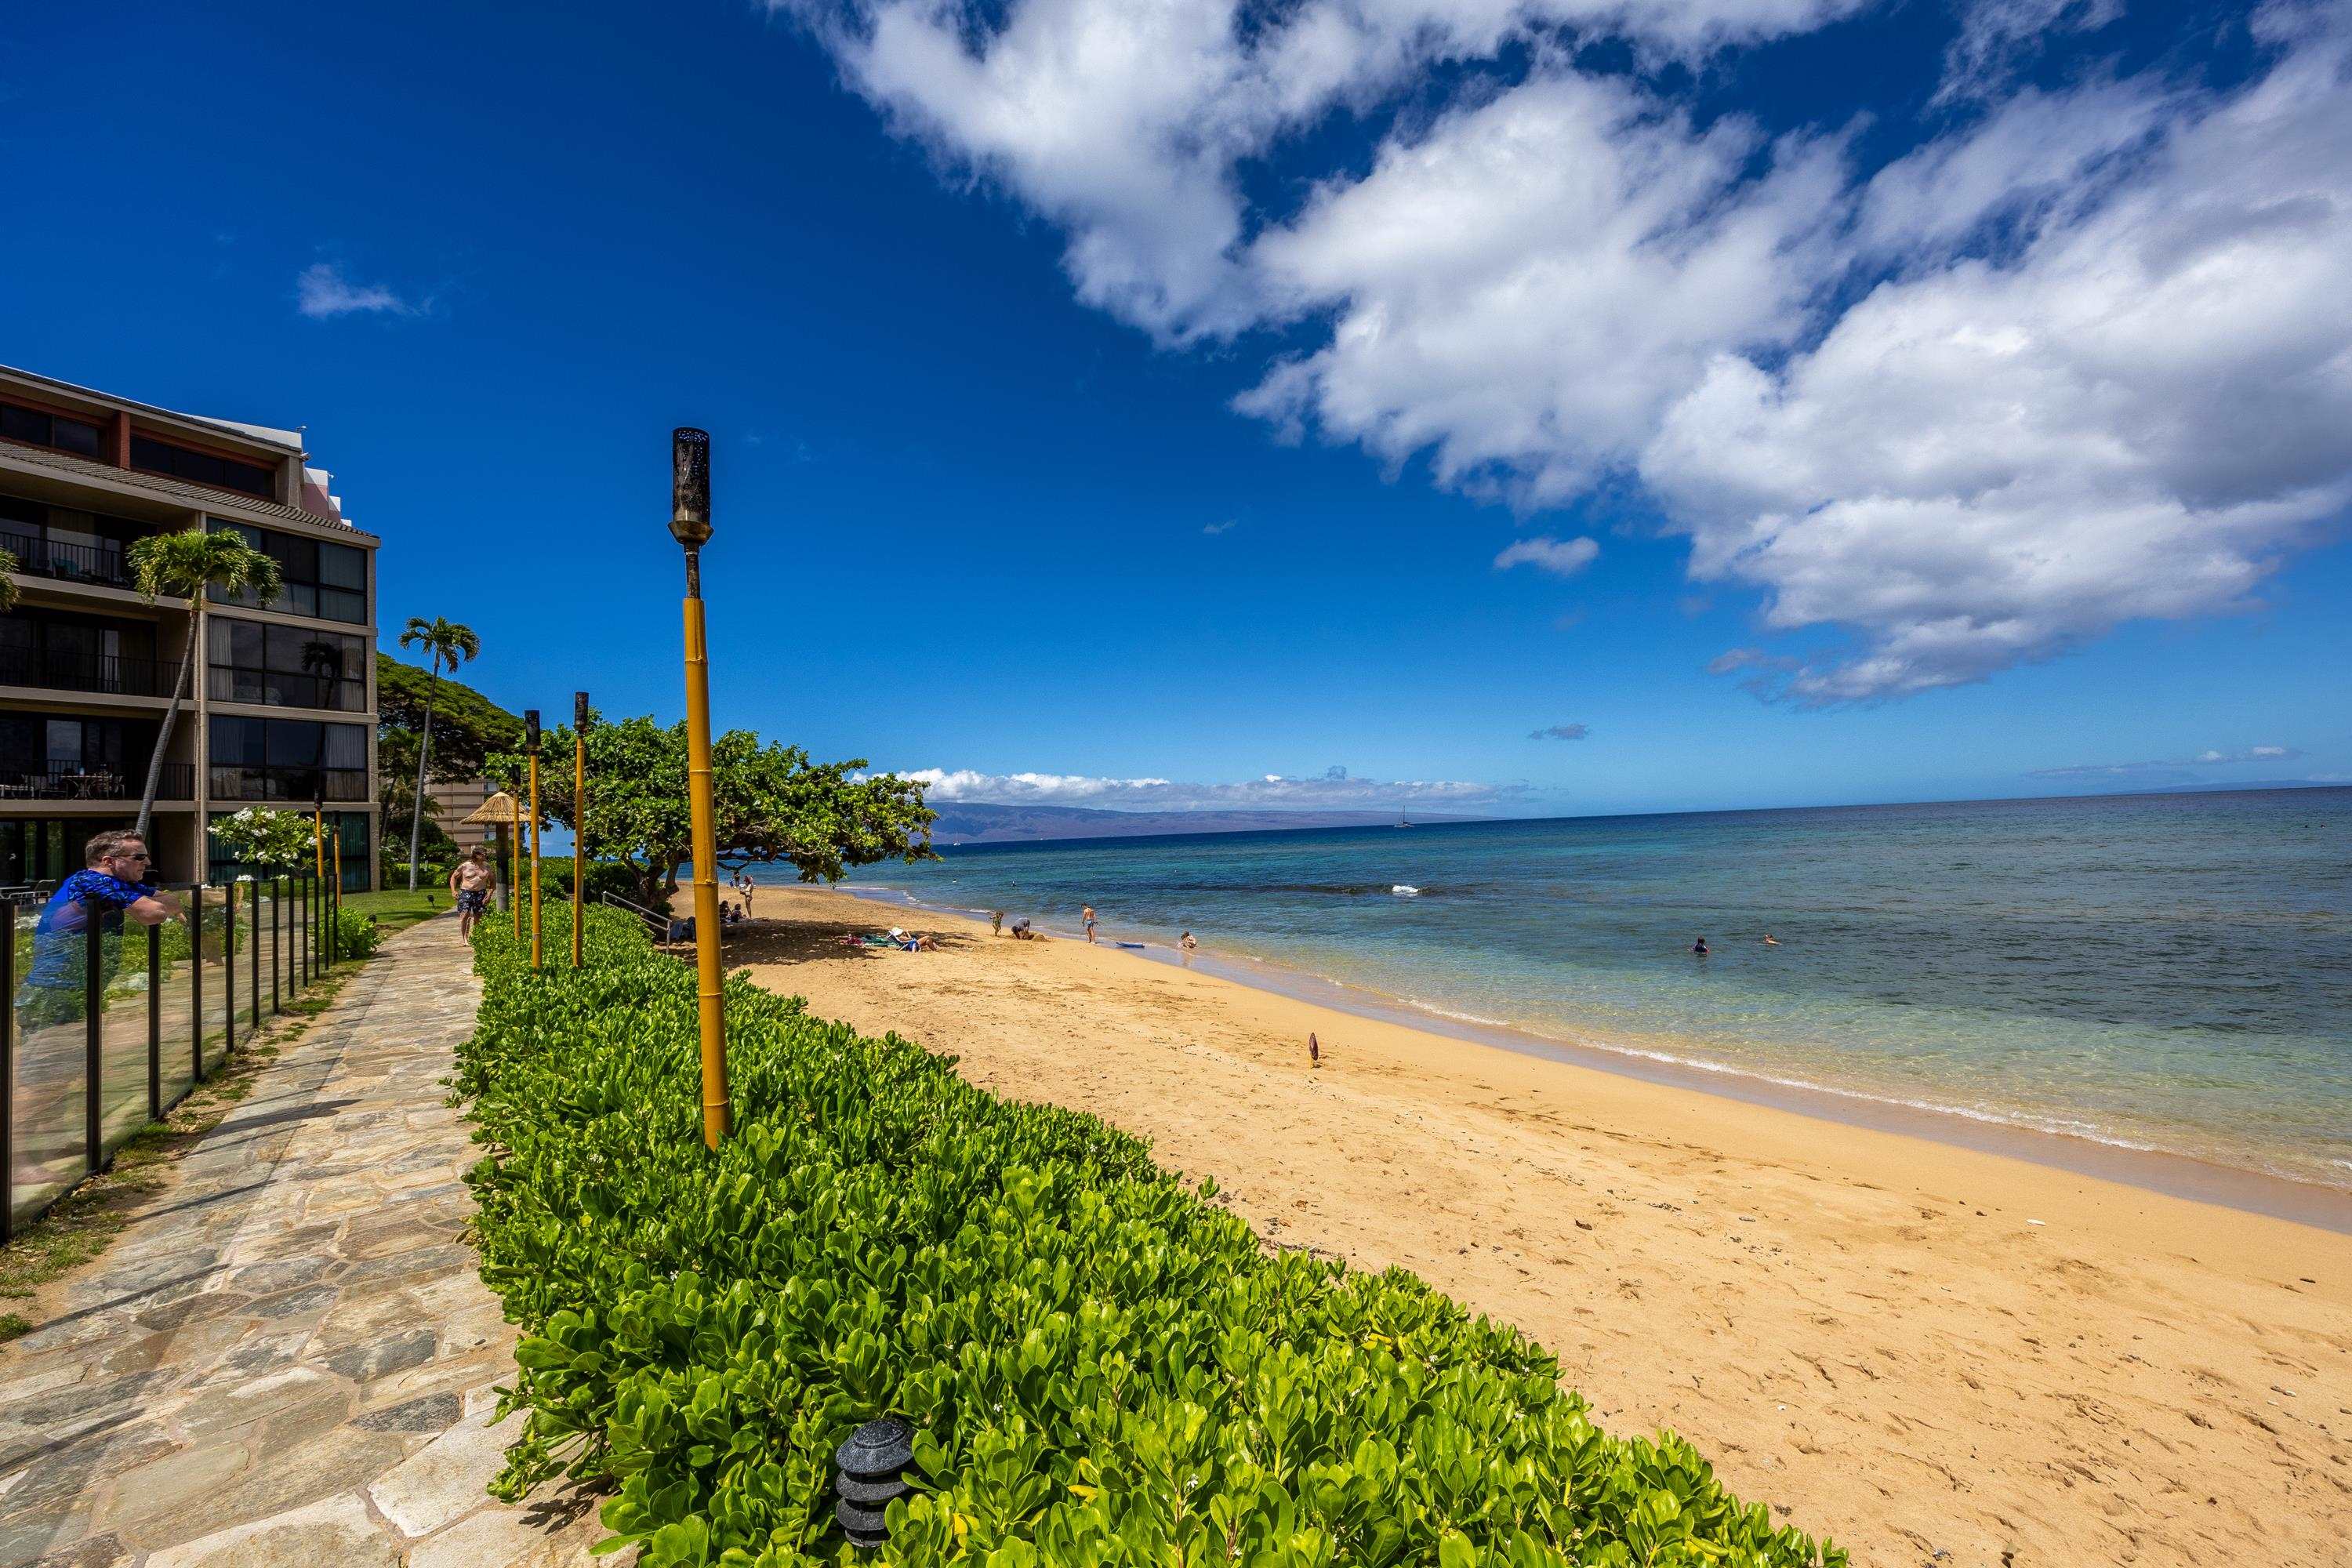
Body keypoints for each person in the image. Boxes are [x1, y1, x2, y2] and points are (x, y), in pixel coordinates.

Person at [15, 831, 182, 1033]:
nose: (147, 862)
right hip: (53, 992)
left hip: (75, 988)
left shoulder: (121, 885)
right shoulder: (91, 881)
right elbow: (154, 913)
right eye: (138, 857)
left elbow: (173, 903)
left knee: (78, 1058)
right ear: (108, 861)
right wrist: (151, 905)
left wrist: (152, 904)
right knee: (55, 1059)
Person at [448, 848, 495, 940]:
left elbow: (493, 881)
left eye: (485, 853)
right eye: (482, 854)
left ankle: (477, 936)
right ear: (476, 855)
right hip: (466, 892)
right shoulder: (465, 866)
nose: (485, 855)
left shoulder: (487, 867)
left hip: (481, 893)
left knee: (479, 916)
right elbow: (454, 877)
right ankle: (465, 938)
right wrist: (453, 891)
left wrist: (489, 895)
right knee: (465, 914)